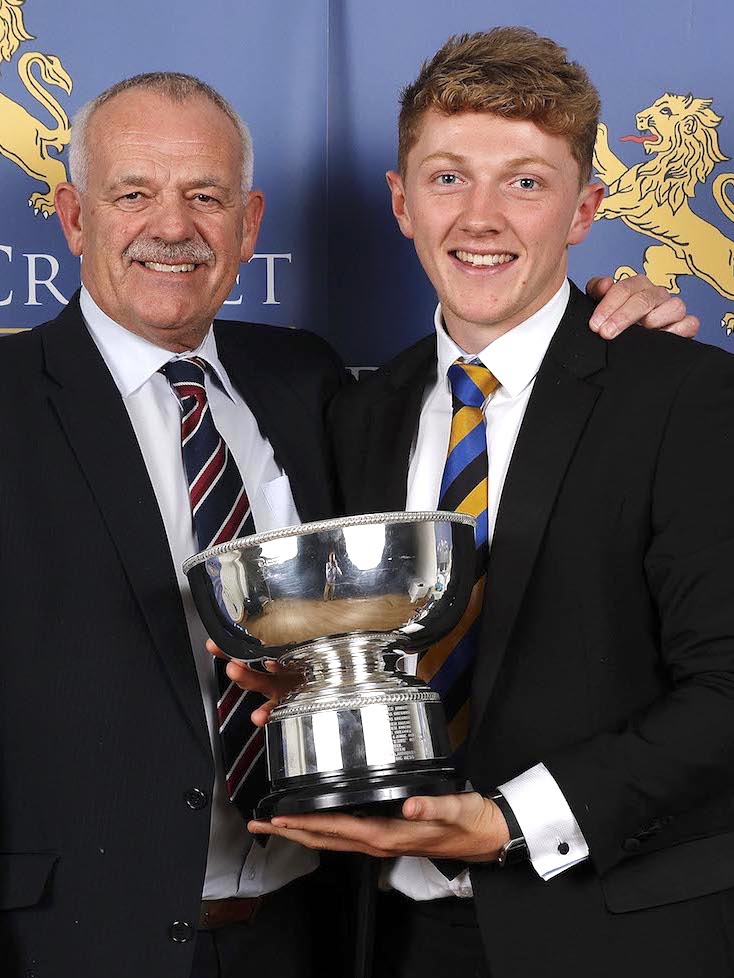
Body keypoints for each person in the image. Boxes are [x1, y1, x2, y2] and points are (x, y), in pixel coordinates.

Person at [242, 29, 734, 978]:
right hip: (392, 938)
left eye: (525, 182)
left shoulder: (687, 397)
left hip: (620, 934)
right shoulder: (359, 413)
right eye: (447, 177)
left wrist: (512, 821)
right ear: (400, 203)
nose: (481, 217)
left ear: (585, 208)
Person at [0, 72, 347, 978]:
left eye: (205, 196)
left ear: (249, 223)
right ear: (76, 219)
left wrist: (604, 328)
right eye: (133, 194)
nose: (172, 227)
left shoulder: (308, 382)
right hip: (69, 945)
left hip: (305, 933)